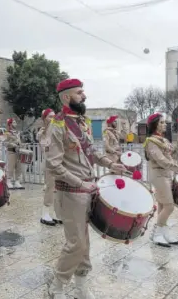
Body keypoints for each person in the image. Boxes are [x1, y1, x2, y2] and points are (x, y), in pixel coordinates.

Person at [46, 78, 126, 299]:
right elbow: (53, 164)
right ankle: (57, 285)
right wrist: (81, 183)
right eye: (79, 93)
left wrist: (111, 164)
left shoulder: (83, 122)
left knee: (84, 243)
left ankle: (81, 286)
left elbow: (92, 152)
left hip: (87, 190)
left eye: (83, 92)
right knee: (76, 243)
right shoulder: (58, 124)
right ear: (66, 97)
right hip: (71, 191)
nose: (84, 96)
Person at [144, 113, 178, 247]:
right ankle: (156, 234)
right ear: (154, 125)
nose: (164, 124)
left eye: (164, 122)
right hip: (158, 175)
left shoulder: (164, 141)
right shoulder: (151, 142)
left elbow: (175, 156)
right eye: (161, 122)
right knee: (169, 206)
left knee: (162, 206)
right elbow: (162, 161)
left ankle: (164, 233)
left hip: (167, 175)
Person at [37, 108, 61, 226]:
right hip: (49, 163)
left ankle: (56, 214)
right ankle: (45, 214)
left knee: (58, 189)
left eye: (54, 116)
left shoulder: (57, 130)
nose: (53, 118)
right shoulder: (42, 132)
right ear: (44, 119)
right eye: (50, 117)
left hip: (59, 163)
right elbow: (45, 148)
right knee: (50, 188)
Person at [4, 118, 25, 190]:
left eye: (15, 122)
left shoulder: (17, 132)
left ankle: (17, 181)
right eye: (14, 122)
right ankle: (8, 180)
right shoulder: (7, 133)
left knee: (19, 167)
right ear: (10, 124)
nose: (15, 123)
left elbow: (19, 141)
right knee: (10, 167)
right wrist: (12, 144)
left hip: (18, 152)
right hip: (11, 151)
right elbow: (4, 143)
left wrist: (21, 144)